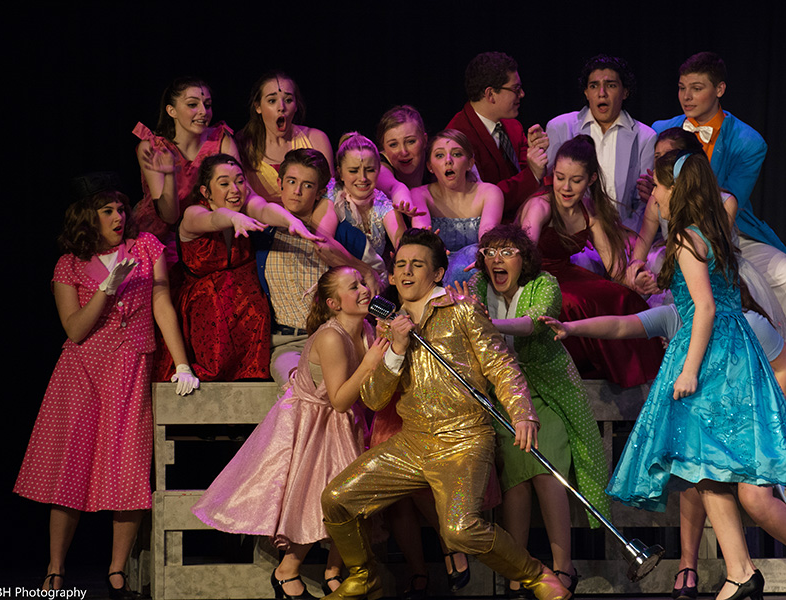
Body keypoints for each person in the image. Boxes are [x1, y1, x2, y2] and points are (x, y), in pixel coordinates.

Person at [605, 150, 786, 600]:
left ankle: (742, 572)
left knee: (703, 463)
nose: (654, 196)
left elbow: (703, 307)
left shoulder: (687, 237)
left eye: (661, 187)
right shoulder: (714, 230)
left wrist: (687, 372)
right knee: (704, 467)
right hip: (734, 348)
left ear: (676, 190)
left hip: (711, 353)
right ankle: (740, 570)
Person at [320, 229, 571, 600]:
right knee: (336, 499)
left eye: (417, 265)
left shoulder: (462, 309)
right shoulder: (389, 326)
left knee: (459, 530)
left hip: (464, 437)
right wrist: (395, 350)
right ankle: (362, 574)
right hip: (414, 440)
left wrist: (523, 413)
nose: (406, 273)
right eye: (400, 265)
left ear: (437, 274)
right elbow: (373, 399)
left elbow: (502, 365)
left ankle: (535, 574)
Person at [14, 174, 198, 596]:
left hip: (130, 367)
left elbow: (161, 303)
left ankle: (117, 570)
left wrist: (183, 363)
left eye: (121, 208)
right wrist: (105, 290)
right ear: (87, 217)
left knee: (128, 469)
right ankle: (56, 568)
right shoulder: (68, 264)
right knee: (69, 473)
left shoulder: (146, 247)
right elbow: (75, 330)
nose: (119, 216)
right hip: (81, 374)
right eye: (107, 210)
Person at [193, 266, 387, 599]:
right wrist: (370, 362)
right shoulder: (331, 336)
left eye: (362, 283)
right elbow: (339, 400)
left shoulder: (367, 328)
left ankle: (333, 571)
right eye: (353, 287)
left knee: (352, 499)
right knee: (317, 499)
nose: (363, 290)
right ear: (333, 302)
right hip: (315, 423)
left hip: (346, 422)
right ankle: (287, 571)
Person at [464, 224, 610, 597]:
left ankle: (563, 567)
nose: (496, 259)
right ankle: (520, 567)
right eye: (489, 252)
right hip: (504, 398)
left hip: (549, 393)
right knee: (515, 477)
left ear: (523, 258)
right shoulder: (478, 287)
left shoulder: (544, 284)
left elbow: (532, 324)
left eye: (507, 252)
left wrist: (483, 324)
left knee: (547, 471)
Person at [650, 52, 786, 314]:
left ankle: (761, 339)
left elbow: (729, 204)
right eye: (682, 88)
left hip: (727, 231)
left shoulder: (747, 142)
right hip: (671, 230)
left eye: (696, 89)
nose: (686, 97)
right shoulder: (660, 130)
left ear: (719, 89)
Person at [628, 128, 786, 357]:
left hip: (709, 271)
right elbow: (644, 240)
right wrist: (636, 268)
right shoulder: (658, 200)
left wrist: (664, 281)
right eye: (658, 157)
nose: (663, 163)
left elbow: (712, 253)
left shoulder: (724, 202)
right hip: (675, 261)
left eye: (671, 158)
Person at [518, 136, 664, 386]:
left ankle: (644, 379)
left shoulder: (589, 211)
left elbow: (615, 270)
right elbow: (523, 252)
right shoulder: (540, 206)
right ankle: (585, 371)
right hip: (535, 277)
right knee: (574, 304)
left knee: (622, 297)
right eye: (560, 177)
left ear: (591, 180)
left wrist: (634, 283)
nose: (565, 187)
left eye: (575, 181)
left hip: (566, 273)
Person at [250, 148, 382, 390]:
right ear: (280, 183)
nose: (297, 191)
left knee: (330, 389)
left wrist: (357, 267)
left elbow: (377, 282)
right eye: (291, 182)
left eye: (307, 185)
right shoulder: (263, 234)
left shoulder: (342, 235)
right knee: (296, 387)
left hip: (335, 339)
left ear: (321, 191)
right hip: (287, 344)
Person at [158, 154, 271, 381]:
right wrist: (233, 218)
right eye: (224, 184)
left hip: (244, 304)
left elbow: (266, 209)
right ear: (205, 192)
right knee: (213, 298)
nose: (235, 189)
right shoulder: (193, 214)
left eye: (240, 181)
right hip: (204, 305)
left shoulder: (245, 208)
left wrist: (293, 222)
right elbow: (213, 220)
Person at [133, 77, 241, 264]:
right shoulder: (153, 148)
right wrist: (169, 175)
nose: (203, 112)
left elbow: (238, 193)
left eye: (207, 105)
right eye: (192, 104)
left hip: (210, 231)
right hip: (163, 239)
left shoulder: (221, 140)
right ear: (171, 110)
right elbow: (169, 216)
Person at [546, 54, 655, 232]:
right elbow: (549, 187)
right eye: (594, 86)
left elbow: (642, 203)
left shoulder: (645, 137)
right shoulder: (560, 128)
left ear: (625, 92)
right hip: (572, 234)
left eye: (611, 85)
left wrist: (627, 235)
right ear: (586, 92)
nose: (601, 93)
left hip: (623, 235)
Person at [446, 51, 549, 219]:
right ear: (490, 95)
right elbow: (482, 200)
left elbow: (525, 171)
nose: (522, 94)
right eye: (516, 89)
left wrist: (535, 154)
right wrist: (533, 173)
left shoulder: (513, 125)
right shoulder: (457, 138)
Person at [411, 129, 504, 285]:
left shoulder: (489, 192)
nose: (448, 160)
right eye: (440, 155)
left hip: (476, 268)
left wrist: (482, 258)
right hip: (435, 270)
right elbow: (422, 233)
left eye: (456, 154)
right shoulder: (419, 194)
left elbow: (488, 234)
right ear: (430, 166)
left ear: (469, 163)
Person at [237, 71, 335, 203]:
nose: (281, 107)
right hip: (261, 221)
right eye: (272, 101)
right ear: (258, 106)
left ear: (296, 106)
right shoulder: (243, 144)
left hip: (309, 221)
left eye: (288, 100)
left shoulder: (315, 139)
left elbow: (328, 196)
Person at [331, 132, 407, 258]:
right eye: (353, 171)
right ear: (341, 173)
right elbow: (324, 242)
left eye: (370, 170)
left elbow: (402, 245)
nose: (363, 178)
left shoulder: (382, 203)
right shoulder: (332, 196)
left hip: (376, 275)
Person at [375, 105, 432, 229]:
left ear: (424, 140)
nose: (403, 151)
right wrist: (408, 204)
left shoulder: (437, 160)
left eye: (411, 141)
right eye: (393, 144)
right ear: (384, 148)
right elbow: (394, 187)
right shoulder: (379, 167)